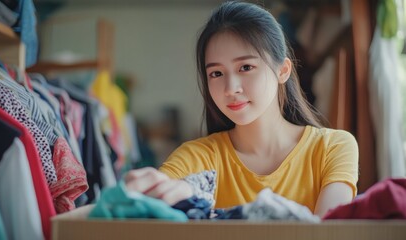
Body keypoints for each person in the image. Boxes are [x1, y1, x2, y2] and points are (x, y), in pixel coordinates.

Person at [125, 1, 359, 218]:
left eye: (245, 67)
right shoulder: (197, 157)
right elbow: (130, 207)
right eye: (216, 73)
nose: (231, 88)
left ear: (283, 70)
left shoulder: (333, 148)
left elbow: (327, 233)